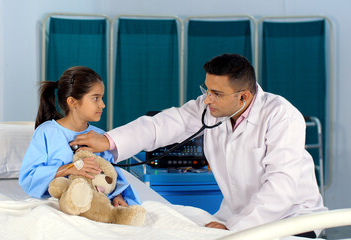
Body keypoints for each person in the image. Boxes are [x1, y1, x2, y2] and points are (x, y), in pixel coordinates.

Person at [69, 54, 327, 237]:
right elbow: (162, 125)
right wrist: (108, 140)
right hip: (234, 217)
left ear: (244, 97)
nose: (207, 99)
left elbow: (281, 187)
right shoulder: (210, 110)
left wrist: (235, 229)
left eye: (216, 93)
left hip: (291, 220)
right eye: (206, 89)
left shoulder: (281, 115)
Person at [19, 66, 141, 207]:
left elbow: (111, 174)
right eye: (95, 98)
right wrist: (70, 168)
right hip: (57, 205)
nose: (103, 105)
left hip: (94, 205)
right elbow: (29, 178)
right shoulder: (46, 133)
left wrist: (117, 197)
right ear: (72, 102)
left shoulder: (100, 136)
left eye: (102, 98)